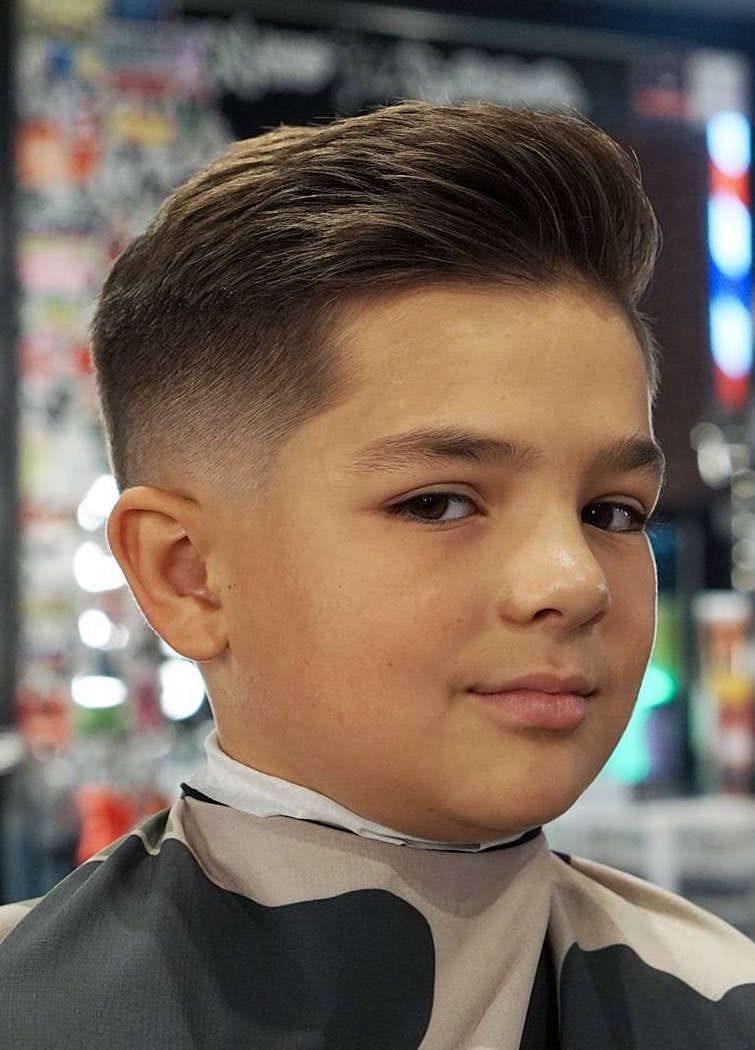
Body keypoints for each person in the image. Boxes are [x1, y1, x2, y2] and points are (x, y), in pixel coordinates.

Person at [1, 100, 753, 1050]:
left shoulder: (721, 1005)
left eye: (610, 513)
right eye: (438, 503)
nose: (574, 581)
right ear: (188, 573)